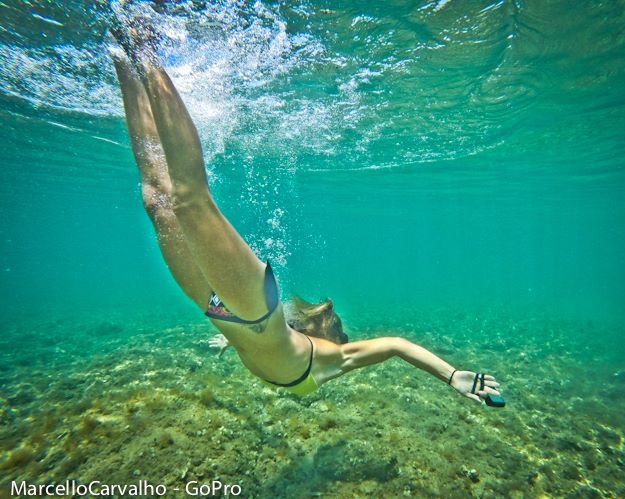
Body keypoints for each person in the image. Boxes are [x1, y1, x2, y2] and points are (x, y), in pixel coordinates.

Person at [109, 15, 502, 402]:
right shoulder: (332, 359)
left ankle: (125, 58)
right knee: (189, 200)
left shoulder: (300, 342)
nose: (345, 340)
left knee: (157, 200)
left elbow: (265, 348)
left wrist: (231, 341)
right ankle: (146, 46)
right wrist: (452, 375)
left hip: (222, 312)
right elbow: (396, 345)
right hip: (251, 309)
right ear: (325, 333)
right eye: (340, 333)